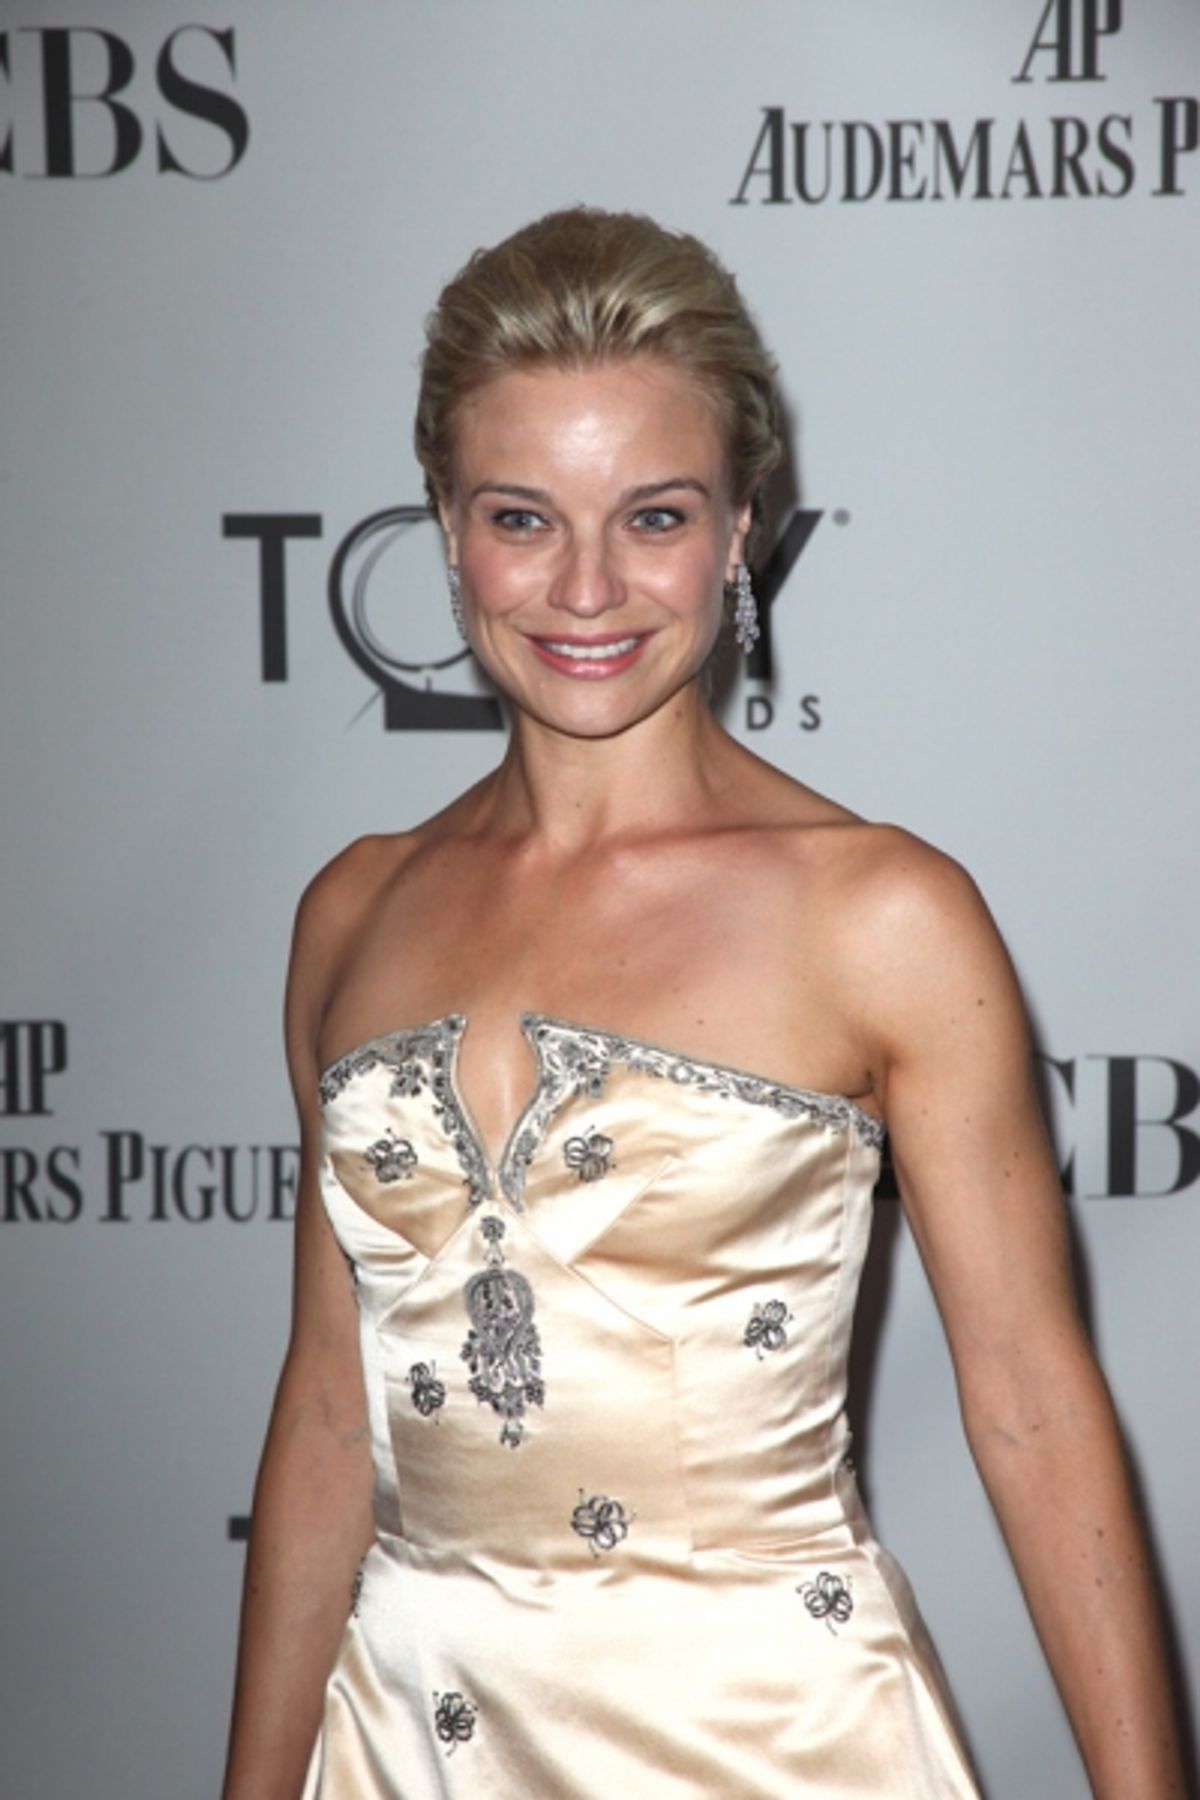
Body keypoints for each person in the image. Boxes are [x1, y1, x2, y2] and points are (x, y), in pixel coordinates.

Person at [222, 207, 1185, 1798]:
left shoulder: (880, 913)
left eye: (653, 516)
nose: (587, 587)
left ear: (741, 529)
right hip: (409, 1742)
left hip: (774, 1746)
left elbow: (1031, 1406)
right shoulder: (351, 912)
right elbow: (331, 1419)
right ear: (443, 529)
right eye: (522, 517)